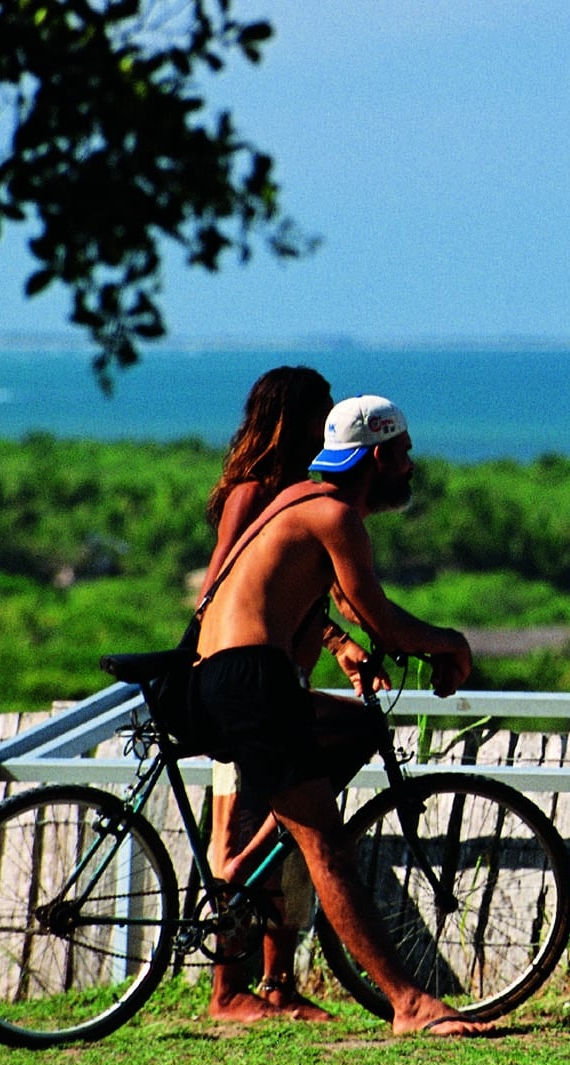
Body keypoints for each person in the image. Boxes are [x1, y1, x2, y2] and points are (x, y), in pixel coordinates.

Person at [191, 393, 492, 1037]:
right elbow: (379, 614)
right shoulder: (334, 515)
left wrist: (355, 645)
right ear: (379, 455)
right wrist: (451, 643)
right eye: (405, 455)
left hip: (238, 675)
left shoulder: (297, 499)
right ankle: (410, 1003)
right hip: (253, 679)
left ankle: (248, 864)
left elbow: (348, 611)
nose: (411, 467)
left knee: (356, 728)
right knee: (327, 847)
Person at [199, 365, 372, 1024]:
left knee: (291, 837)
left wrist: (334, 640)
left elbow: (303, 586)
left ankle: (277, 982)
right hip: (245, 688)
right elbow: (222, 587)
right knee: (242, 834)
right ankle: (228, 990)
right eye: (321, 410)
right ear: (295, 419)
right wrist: (335, 632)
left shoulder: (300, 496)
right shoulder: (253, 493)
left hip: (281, 685)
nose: (329, 422)